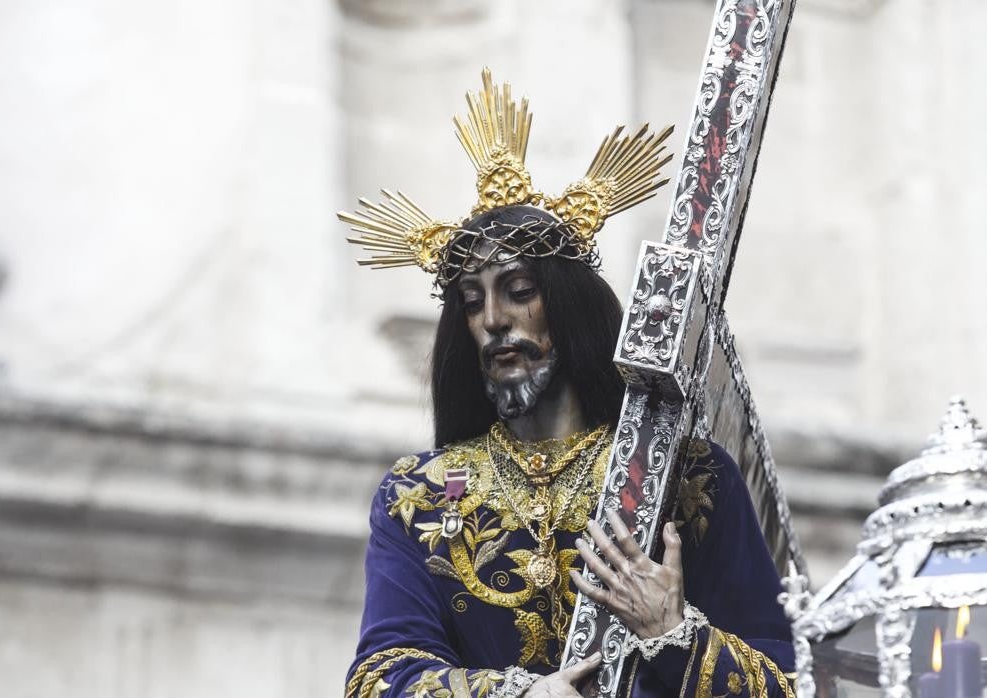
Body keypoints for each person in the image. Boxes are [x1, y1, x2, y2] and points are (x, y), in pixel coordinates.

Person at [340, 71, 793, 698]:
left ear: (567, 305)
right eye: (472, 303)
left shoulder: (690, 480)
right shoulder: (420, 498)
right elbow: (380, 678)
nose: (494, 320)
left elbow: (791, 682)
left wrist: (675, 634)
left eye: (519, 292)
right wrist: (525, 695)